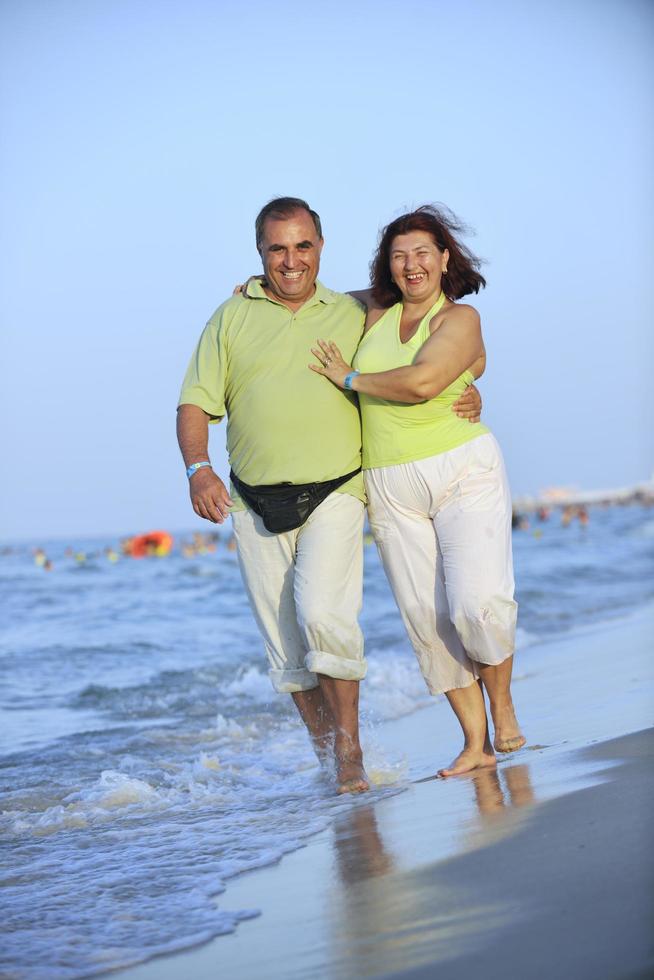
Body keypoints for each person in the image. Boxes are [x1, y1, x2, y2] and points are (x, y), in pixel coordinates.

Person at [177, 197, 482, 793]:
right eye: (277, 248)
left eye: (303, 246)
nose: (291, 260)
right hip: (251, 500)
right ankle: (328, 759)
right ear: (260, 253)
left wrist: (472, 388)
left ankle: (351, 758)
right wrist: (198, 468)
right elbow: (194, 401)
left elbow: (445, 336)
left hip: (337, 490)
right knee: (289, 655)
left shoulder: (355, 310)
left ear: (321, 247)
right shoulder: (229, 316)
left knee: (325, 619)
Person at [311, 205, 524, 777]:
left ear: (445, 257)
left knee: (477, 605)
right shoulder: (374, 311)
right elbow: (318, 298)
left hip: (462, 469)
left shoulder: (460, 319)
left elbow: (426, 381)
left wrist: (350, 380)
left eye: (423, 253)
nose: (412, 265)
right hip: (389, 481)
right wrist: (258, 286)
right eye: (400, 255)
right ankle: (475, 743)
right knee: (427, 622)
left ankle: (502, 704)